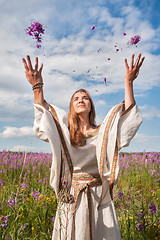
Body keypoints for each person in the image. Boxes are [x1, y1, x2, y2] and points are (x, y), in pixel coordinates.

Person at [22, 53, 145, 240]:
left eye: (85, 97)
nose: (80, 99)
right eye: (76, 98)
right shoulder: (65, 134)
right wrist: (36, 86)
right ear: (72, 107)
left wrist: (128, 82)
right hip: (71, 196)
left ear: (91, 106)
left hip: (98, 196)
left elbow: (128, 122)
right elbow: (45, 122)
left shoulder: (104, 132)